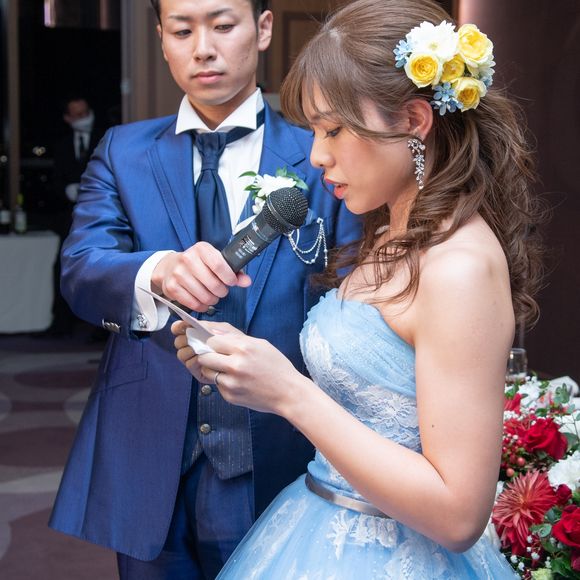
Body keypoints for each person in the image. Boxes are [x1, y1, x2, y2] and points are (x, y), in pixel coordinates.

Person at [172, 0, 544, 577]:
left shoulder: (460, 266)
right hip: (319, 521)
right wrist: (243, 364)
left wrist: (290, 394)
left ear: (414, 120)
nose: (317, 155)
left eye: (334, 129)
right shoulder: (394, 229)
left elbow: (458, 515)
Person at [48, 0, 359, 578]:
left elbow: (353, 290)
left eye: (222, 25)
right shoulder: (123, 151)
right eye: (182, 30)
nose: (203, 49)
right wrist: (155, 272)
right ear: (161, 38)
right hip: (148, 448)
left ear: (263, 28)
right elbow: (81, 270)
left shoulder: (321, 155)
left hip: (279, 449)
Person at [48, 96, 106, 336]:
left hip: (100, 215)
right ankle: (61, 323)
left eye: (85, 112)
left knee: (101, 266)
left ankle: (101, 328)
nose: (83, 118)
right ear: (67, 118)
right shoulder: (62, 145)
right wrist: (65, 190)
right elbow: (54, 181)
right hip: (69, 217)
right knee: (63, 266)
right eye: (77, 115)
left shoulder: (104, 139)